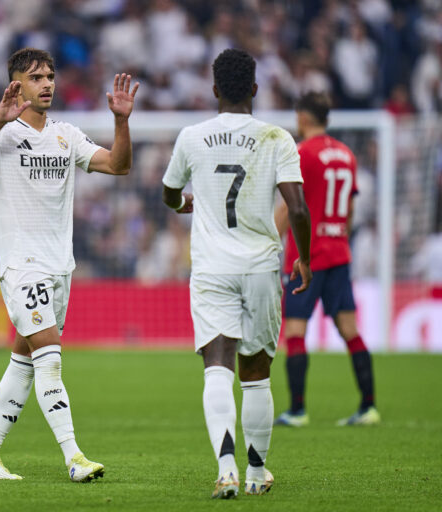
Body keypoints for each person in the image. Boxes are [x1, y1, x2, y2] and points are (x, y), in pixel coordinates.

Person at [0, 48, 138, 482]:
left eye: (50, 76)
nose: (48, 84)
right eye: (36, 77)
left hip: (59, 266)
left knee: (24, 360)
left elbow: (119, 165)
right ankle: (74, 457)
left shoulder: (66, 135)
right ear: (16, 84)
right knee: (50, 358)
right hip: (21, 264)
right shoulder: (2, 133)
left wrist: (122, 121)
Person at [162, 48, 312, 499]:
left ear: (213, 90)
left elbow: (169, 194)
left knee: (216, 370)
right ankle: (256, 472)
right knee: (257, 373)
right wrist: (303, 256)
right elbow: (299, 209)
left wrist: (185, 204)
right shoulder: (276, 137)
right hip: (262, 266)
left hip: (212, 268)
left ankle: (225, 467)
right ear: (254, 89)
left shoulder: (192, 136)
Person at [274, 92, 379, 428]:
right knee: (349, 329)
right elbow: (348, 209)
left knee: (294, 330)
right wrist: (339, 238)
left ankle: (298, 410)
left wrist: (263, 243)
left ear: (303, 117)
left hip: (306, 257)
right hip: (338, 253)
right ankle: (368, 406)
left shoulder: (302, 153)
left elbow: (291, 206)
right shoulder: (346, 154)